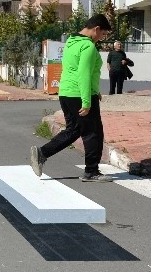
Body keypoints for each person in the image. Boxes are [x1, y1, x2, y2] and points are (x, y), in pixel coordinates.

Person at [29, 14, 114, 182]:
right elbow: (83, 74)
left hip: (66, 93)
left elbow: (74, 70)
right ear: (96, 29)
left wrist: (94, 90)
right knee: (93, 133)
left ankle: (43, 153)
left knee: (73, 130)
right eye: (103, 34)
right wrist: (87, 101)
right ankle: (91, 172)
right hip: (80, 94)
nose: (102, 38)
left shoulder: (71, 42)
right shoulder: (88, 47)